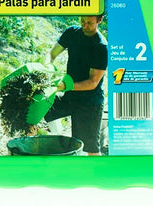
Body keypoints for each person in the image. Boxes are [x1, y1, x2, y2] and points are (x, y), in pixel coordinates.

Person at [45, 14, 107, 155]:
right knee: (40, 108)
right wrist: (46, 68)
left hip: (89, 104)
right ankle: (58, 142)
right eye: (82, 21)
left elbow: (93, 82)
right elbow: (51, 54)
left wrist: (64, 86)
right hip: (69, 96)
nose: (85, 26)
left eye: (89, 23)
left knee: (89, 148)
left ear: (99, 20)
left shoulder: (100, 47)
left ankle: (98, 169)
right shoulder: (72, 32)